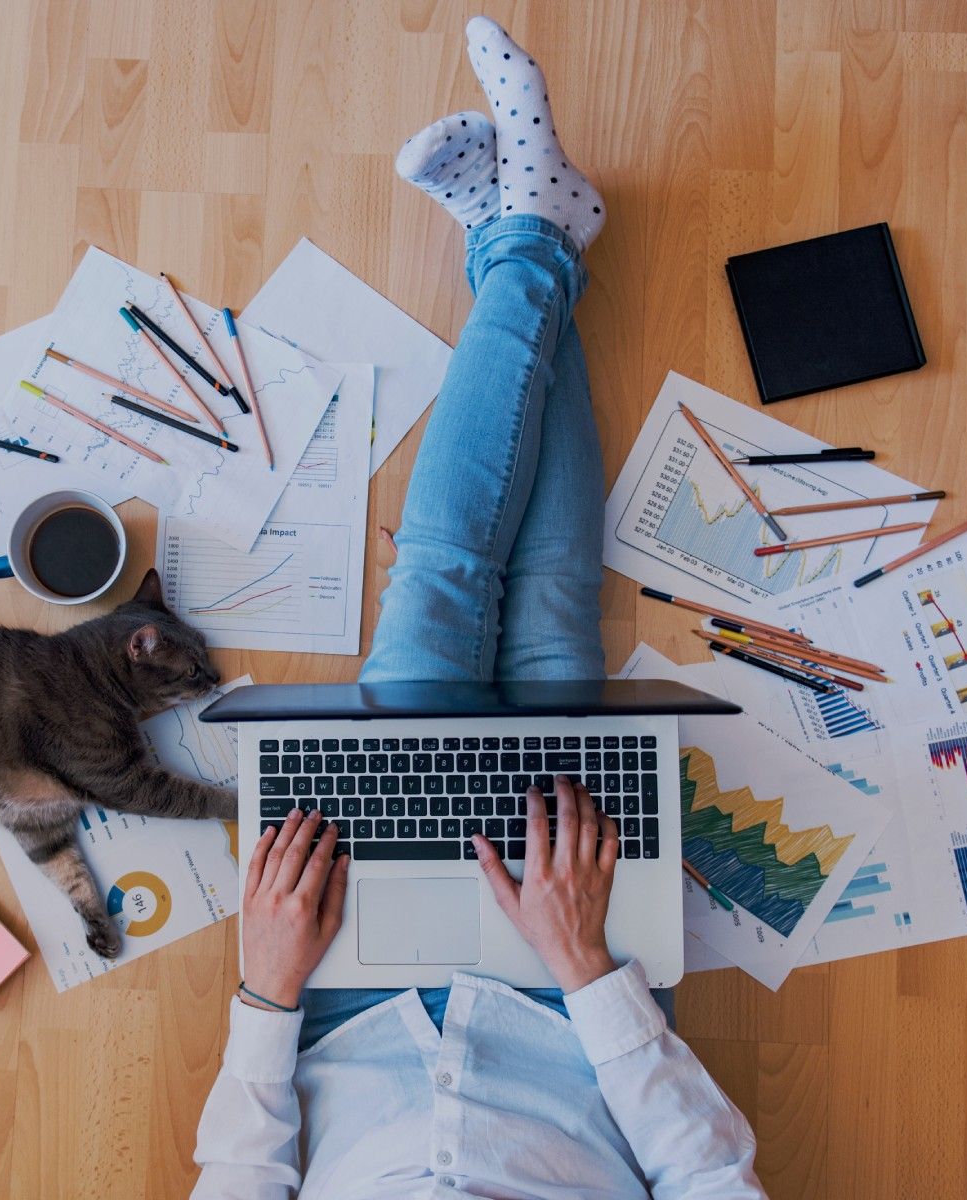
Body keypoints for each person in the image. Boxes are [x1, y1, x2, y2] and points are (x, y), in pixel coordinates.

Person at [191, 17, 766, 1198]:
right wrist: (587, 971)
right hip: (573, 1004)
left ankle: (531, 236)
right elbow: (710, 1176)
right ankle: (530, 239)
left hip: (343, 995)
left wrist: (263, 993)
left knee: (450, 588)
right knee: (549, 611)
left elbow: (239, 1180)